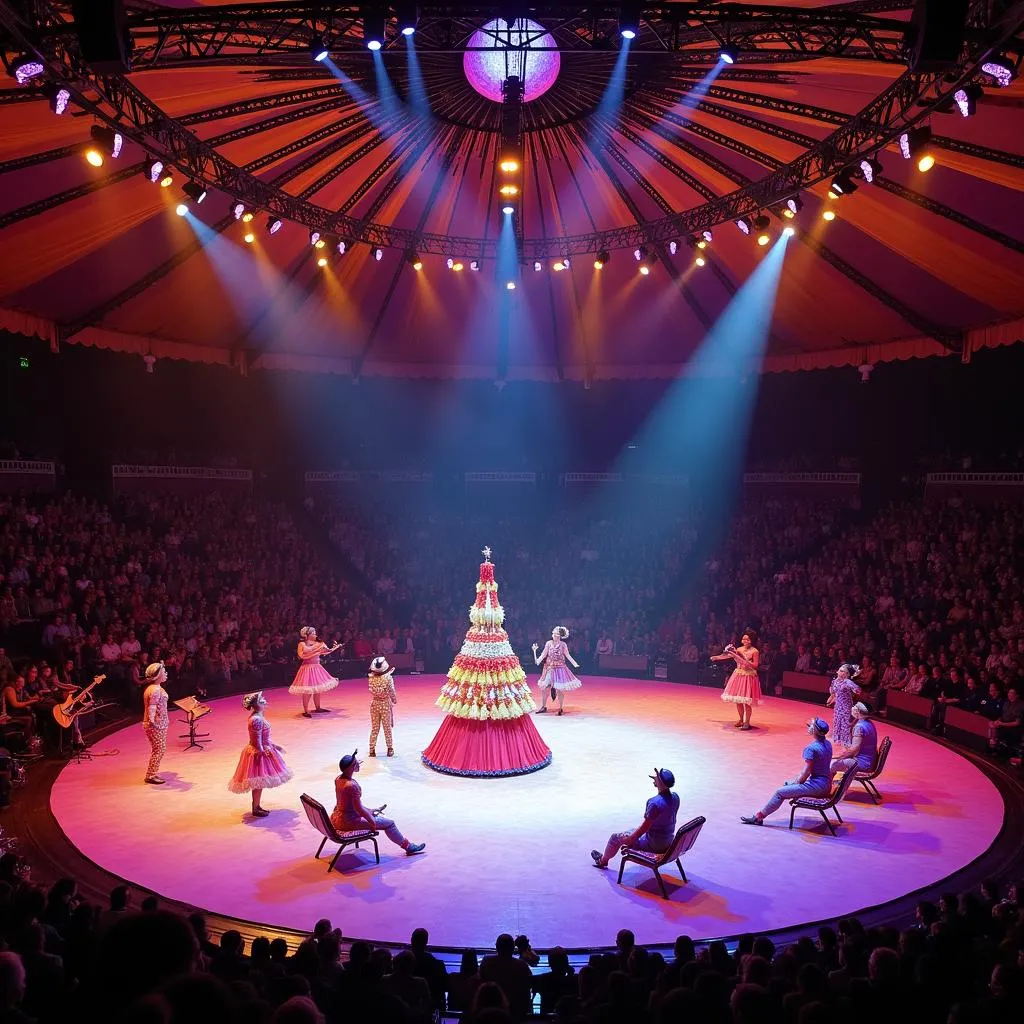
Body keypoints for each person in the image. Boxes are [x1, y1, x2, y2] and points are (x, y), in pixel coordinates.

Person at [741, 718, 833, 825]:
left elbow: (805, 773)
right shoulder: (828, 744)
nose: (809, 727)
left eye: (812, 726)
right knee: (787, 785)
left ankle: (758, 817)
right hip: (826, 784)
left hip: (818, 787)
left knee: (780, 792)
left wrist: (794, 783)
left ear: (816, 731)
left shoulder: (811, 748)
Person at [330, 749, 425, 855]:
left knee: (378, 817)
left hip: (338, 817)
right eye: (356, 763)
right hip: (349, 822)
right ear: (351, 767)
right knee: (390, 824)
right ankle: (408, 847)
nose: (359, 763)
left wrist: (370, 810)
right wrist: (371, 822)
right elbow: (359, 809)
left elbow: (352, 805)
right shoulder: (351, 786)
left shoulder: (338, 779)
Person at [591, 767, 680, 869]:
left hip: (653, 844)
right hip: (667, 841)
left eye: (657, 776)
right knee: (631, 830)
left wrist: (629, 840)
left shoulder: (654, 803)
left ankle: (603, 861)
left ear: (661, 781)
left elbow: (643, 829)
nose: (654, 777)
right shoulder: (675, 797)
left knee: (615, 838)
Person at [227, 691, 293, 817]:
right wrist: (264, 752)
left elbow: (263, 737)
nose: (264, 700)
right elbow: (256, 741)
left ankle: (257, 806)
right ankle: (256, 807)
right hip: (258, 753)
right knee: (258, 781)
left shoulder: (259, 716)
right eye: (260, 699)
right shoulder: (256, 719)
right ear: (255, 704)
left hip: (263, 748)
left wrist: (274, 746)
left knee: (260, 781)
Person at [713, 630, 761, 730]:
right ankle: (740, 719)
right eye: (744, 638)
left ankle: (747, 722)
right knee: (738, 700)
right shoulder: (739, 649)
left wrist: (745, 661)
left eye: (747, 639)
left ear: (751, 640)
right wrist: (717, 657)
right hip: (738, 675)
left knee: (747, 701)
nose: (745, 640)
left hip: (748, 676)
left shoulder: (755, 651)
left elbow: (755, 666)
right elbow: (728, 655)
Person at [289, 626, 340, 718]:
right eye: (313, 633)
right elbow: (302, 656)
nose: (315, 634)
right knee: (307, 690)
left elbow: (325, 652)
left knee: (317, 689)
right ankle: (306, 710)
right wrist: (317, 652)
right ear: (307, 635)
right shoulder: (302, 644)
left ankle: (318, 707)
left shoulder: (318, 643)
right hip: (307, 668)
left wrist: (335, 648)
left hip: (316, 667)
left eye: (315, 632)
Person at [533, 626, 582, 716]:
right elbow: (543, 655)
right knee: (545, 688)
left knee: (560, 689)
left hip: (560, 669)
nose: (553, 635)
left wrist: (575, 663)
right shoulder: (549, 643)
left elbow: (567, 655)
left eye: (555, 633)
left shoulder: (563, 645)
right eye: (553, 633)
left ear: (559, 635)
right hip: (549, 668)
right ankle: (543, 706)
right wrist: (535, 653)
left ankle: (560, 708)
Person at [142, 662, 170, 785]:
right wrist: (153, 721)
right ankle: (151, 775)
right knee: (159, 749)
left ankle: (152, 773)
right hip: (156, 725)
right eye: (164, 672)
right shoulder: (155, 690)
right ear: (158, 675)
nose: (166, 674)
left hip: (157, 724)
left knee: (159, 749)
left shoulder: (152, 688)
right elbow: (152, 708)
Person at [831, 703, 878, 775]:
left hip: (862, 764)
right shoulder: (869, 723)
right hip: (869, 761)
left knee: (831, 764)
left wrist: (837, 757)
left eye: (854, 707)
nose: (852, 708)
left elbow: (853, 750)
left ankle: (827, 785)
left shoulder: (859, 727)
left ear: (858, 711)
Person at [367, 656, 397, 757]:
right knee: (387, 727)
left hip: (374, 704)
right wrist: (394, 699)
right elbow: (391, 691)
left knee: (375, 728)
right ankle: (390, 748)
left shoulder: (371, 677)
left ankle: (371, 749)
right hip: (384, 704)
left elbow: (380, 679)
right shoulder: (388, 678)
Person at [827, 663, 862, 748]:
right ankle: (838, 739)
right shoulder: (834, 681)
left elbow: (858, 690)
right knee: (837, 721)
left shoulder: (847, 682)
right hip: (838, 705)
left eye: (845, 672)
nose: (842, 673)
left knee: (845, 723)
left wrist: (854, 688)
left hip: (846, 706)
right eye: (841, 671)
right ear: (837, 671)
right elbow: (833, 693)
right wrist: (831, 698)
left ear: (848, 675)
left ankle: (847, 743)